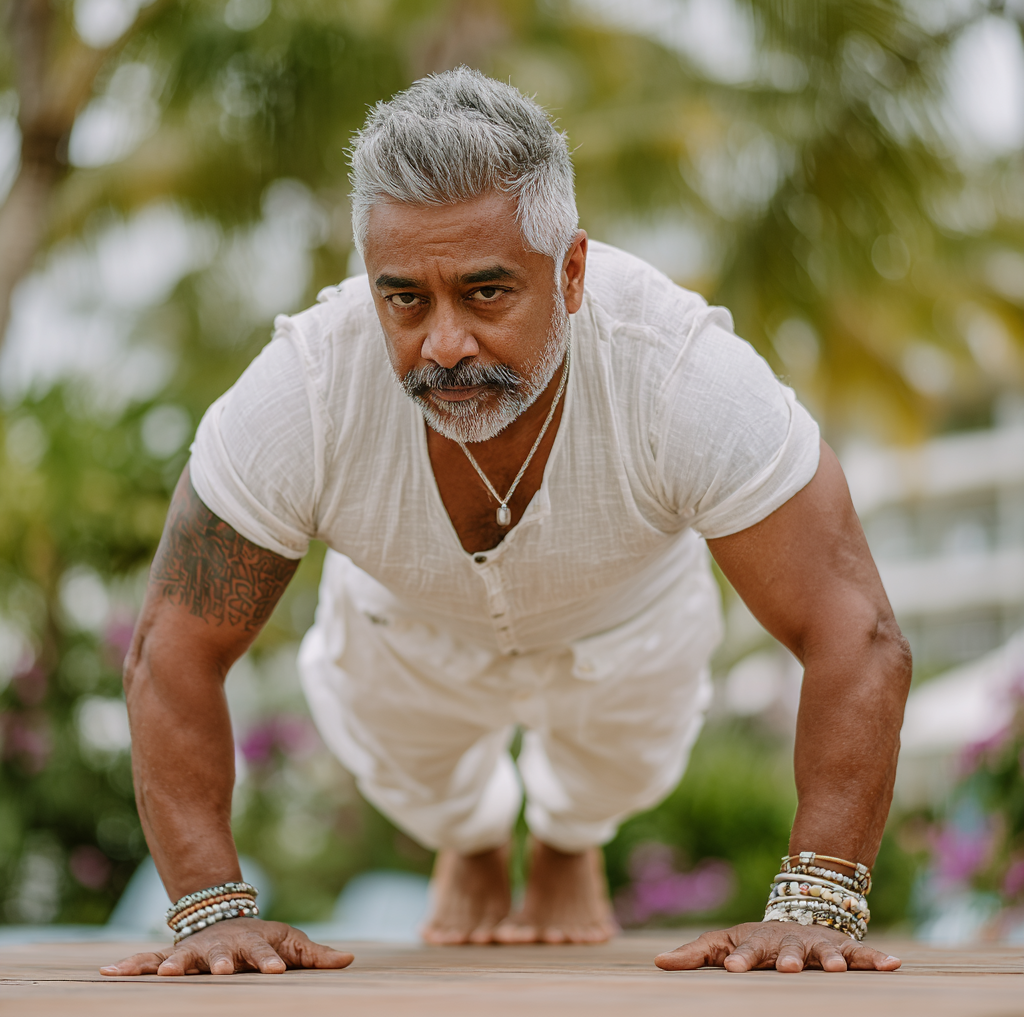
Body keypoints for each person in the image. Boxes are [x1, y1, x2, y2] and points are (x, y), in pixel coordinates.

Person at [102, 67, 911, 979]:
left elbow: (857, 631)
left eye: (486, 294)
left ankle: (569, 843)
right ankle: (475, 841)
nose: (443, 344)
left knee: (613, 773)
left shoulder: (683, 377)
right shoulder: (306, 392)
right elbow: (172, 648)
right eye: (405, 298)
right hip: (402, 630)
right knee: (425, 778)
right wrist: (209, 911)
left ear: (570, 272)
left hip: (629, 629)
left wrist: (816, 907)